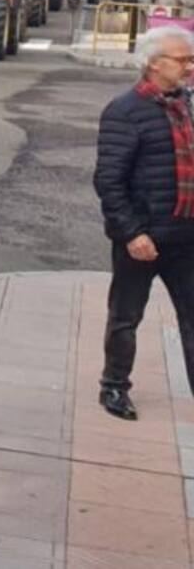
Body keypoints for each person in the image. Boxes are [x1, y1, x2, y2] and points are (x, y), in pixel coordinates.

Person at [94, 26, 194, 420]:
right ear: (154, 64)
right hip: (143, 238)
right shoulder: (125, 111)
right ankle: (114, 387)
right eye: (182, 59)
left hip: (187, 236)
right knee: (126, 317)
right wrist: (132, 232)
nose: (189, 67)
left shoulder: (188, 106)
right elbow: (109, 180)